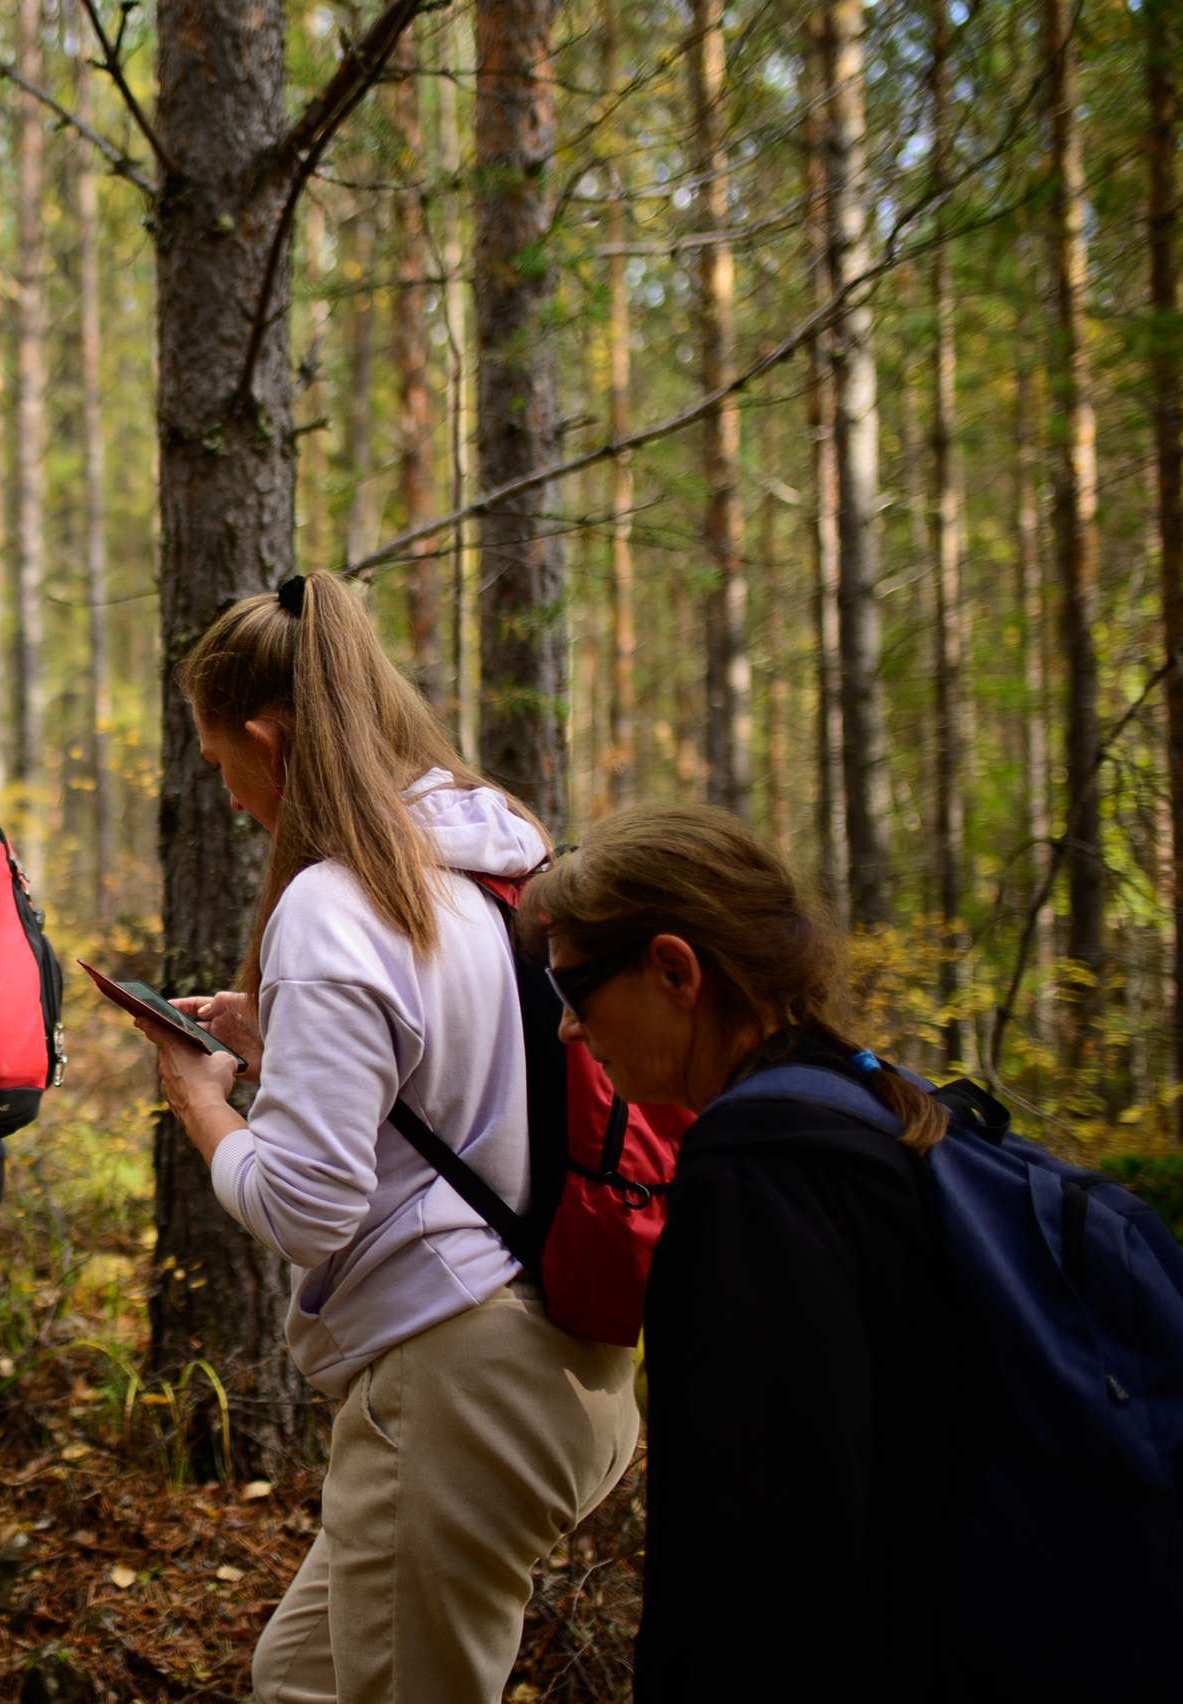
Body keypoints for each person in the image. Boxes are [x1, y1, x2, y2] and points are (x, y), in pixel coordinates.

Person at [123, 572, 639, 1704]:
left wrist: (200, 1101)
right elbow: (465, 1080)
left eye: (220, 764)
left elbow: (308, 1205)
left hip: (462, 1376)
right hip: (569, 1357)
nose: (229, 797)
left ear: (267, 737)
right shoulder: (494, 864)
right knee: (298, 1679)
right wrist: (283, 1040)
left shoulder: (333, 903)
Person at [521, 806, 974, 1704]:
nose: (569, 1031)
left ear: (672, 969)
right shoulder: (869, 1106)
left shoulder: (755, 1170)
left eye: (573, 992)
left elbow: (768, 1538)